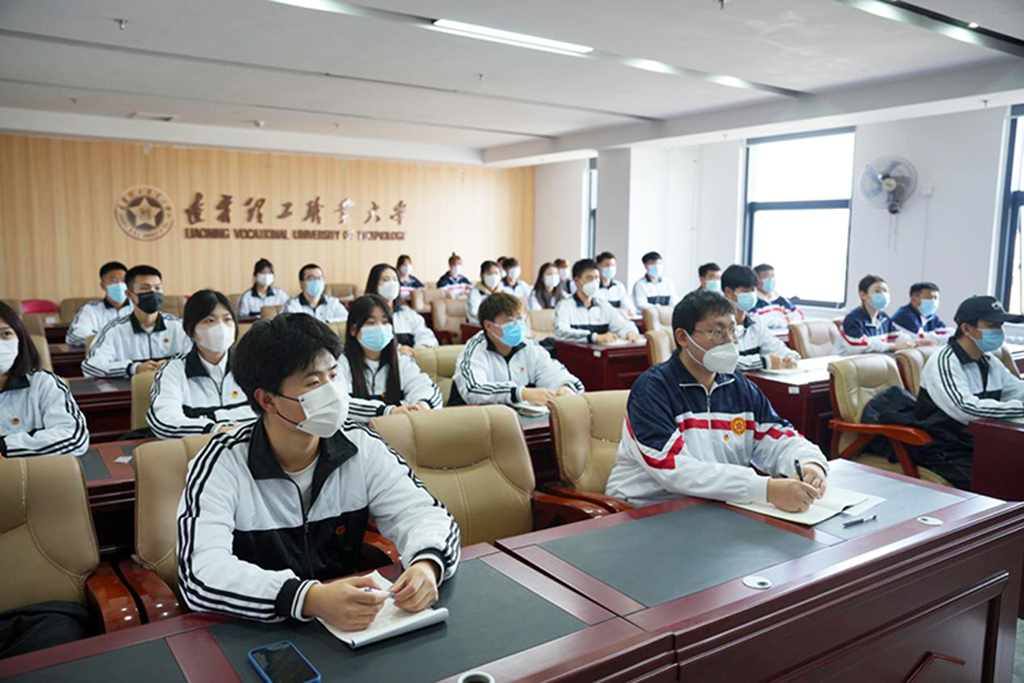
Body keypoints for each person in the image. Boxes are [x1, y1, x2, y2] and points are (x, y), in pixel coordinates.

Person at [176, 313, 460, 628]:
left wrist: (426, 563)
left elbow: (424, 513)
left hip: (356, 628)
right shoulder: (222, 464)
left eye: (334, 375)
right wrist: (308, 598)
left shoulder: (360, 446)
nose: (333, 392)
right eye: (313, 383)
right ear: (268, 400)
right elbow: (200, 573)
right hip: (259, 630)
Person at [605, 290, 828, 509]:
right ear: (683, 337)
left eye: (733, 331)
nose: (730, 341)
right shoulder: (653, 390)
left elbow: (777, 436)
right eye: (717, 332)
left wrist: (809, 462)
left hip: (715, 506)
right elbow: (675, 469)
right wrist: (764, 489)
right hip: (647, 508)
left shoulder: (739, 387)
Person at [914, 296, 1024, 488]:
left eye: (1000, 326)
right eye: (991, 325)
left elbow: (1017, 390)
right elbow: (966, 409)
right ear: (966, 329)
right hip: (945, 450)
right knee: (1000, 484)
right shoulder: (944, 362)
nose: (998, 332)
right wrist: (1019, 408)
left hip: (979, 443)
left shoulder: (988, 361)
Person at [147, 290, 256, 440]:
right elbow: (164, 421)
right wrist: (216, 429)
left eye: (227, 319)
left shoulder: (252, 363)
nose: (221, 327)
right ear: (190, 329)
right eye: (209, 321)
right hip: (199, 449)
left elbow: (274, 411)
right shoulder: (174, 369)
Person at [452, 293, 584, 406]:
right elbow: (474, 389)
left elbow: (552, 371)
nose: (518, 325)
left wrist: (565, 387)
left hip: (520, 419)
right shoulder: (475, 350)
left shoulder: (528, 346)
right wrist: (520, 393)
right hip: (476, 419)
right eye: (510, 321)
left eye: (520, 319)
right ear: (489, 326)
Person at [0, 302, 89, 457]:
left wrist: (4, 447)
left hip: (33, 471)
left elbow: (74, 438)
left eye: (6, 334)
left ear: (20, 339)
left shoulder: (42, 383)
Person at [340, 295, 444, 422]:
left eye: (385, 322)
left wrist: (422, 405)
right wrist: (387, 411)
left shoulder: (400, 360)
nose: (380, 328)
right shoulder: (341, 364)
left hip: (398, 428)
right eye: (371, 323)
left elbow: (428, 389)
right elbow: (339, 403)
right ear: (353, 329)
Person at [82, 265, 191, 378]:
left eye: (157, 288)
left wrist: (174, 364)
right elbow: (91, 367)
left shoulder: (179, 327)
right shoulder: (113, 330)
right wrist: (133, 368)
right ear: (129, 294)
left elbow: (198, 358)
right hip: (128, 388)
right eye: (145, 288)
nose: (153, 292)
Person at [720, 265, 800, 372]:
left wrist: (790, 357)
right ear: (728, 292)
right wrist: (764, 362)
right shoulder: (717, 326)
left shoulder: (756, 323)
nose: (751, 295)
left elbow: (776, 347)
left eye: (753, 290)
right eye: (745, 291)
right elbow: (724, 362)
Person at [554, 259, 641, 344]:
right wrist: (593, 337)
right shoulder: (565, 306)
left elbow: (623, 325)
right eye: (589, 278)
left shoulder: (603, 305)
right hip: (575, 351)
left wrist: (630, 332)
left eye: (596, 278)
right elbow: (560, 332)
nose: (594, 282)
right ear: (577, 281)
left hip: (601, 351)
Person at [834, 275, 917, 356]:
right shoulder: (853, 319)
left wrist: (910, 342)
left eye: (885, 291)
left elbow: (898, 336)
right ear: (863, 295)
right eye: (877, 291)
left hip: (871, 361)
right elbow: (857, 345)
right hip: (844, 362)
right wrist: (893, 346)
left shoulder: (883, 318)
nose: (883, 294)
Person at [364, 264, 438, 354]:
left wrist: (419, 349)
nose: (392, 283)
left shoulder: (407, 313)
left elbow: (426, 336)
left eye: (395, 280)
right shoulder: (364, 314)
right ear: (374, 284)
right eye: (386, 279)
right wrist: (398, 350)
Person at [66, 261, 133, 347]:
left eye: (123, 280)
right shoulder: (90, 309)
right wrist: (108, 340)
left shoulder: (138, 306)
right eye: (113, 280)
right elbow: (75, 336)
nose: (119, 284)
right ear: (103, 286)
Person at [283, 263, 348, 323]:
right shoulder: (293, 304)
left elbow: (345, 318)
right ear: (301, 283)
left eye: (319, 278)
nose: (316, 281)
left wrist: (326, 322)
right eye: (311, 278)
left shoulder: (333, 302)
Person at [750, 264, 804, 330]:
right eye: (767, 276)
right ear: (756, 280)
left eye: (773, 276)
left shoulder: (780, 300)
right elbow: (755, 321)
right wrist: (782, 321)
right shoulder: (752, 301)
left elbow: (799, 314)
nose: (771, 279)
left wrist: (790, 321)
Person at [467, 260, 503, 324]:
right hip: (479, 326)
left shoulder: (503, 292)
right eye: (490, 274)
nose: (494, 277)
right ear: (482, 276)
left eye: (496, 273)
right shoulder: (475, 293)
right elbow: (474, 313)